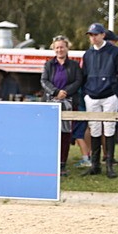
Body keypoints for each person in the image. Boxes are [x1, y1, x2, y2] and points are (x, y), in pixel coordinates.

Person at [81, 23, 118, 178]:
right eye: (91, 35)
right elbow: (84, 76)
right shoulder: (87, 54)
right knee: (94, 129)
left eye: (95, 34)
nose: (93, 38)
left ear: (102, 35)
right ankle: (95, 165)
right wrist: (86, 94)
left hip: (109, 96)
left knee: (109, 129)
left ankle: (109, 165)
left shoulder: (115, 52)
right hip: (92, 96)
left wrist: (116, 95)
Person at [41, 35, 83, 177]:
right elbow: (44, 81)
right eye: (57, 47)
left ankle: (62, 164)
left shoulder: (74, 65)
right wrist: (55, 92)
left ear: (67, 48)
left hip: (68, 103)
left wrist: (65, 92)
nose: (60, 50)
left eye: (62, 47)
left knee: (65, 135)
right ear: (54, 48)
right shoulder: (48, 65)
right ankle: (50, 163)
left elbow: (78, 81)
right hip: (51, 102)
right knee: (50, 134)